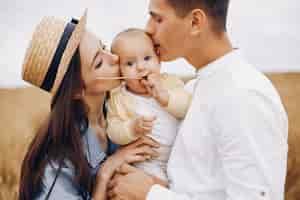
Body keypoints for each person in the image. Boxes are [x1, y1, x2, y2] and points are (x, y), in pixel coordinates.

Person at [107, 0, 289, 200]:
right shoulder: (193, 88)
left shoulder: (244, 95)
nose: (148, 28)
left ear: (195, 22)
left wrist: (150, 194)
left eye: (157, 18)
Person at [18, 11, 159, 200]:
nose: (115, 58)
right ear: (77, 89)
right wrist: (105, 173)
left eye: (104, 47)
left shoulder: (120, 108)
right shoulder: (56, 164)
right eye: (99, 62)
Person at [105, 28, 191, 182]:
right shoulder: (119, 97)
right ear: (120, 71)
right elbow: (113, 129)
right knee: (147, 182)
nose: (140, 67)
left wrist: (166, 98)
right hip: (147, 161)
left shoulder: (169, 82)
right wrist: (131, 128)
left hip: (180, 154)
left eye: (147, 58)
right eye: (130, 63)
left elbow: (187, 107)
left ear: (158, 59)